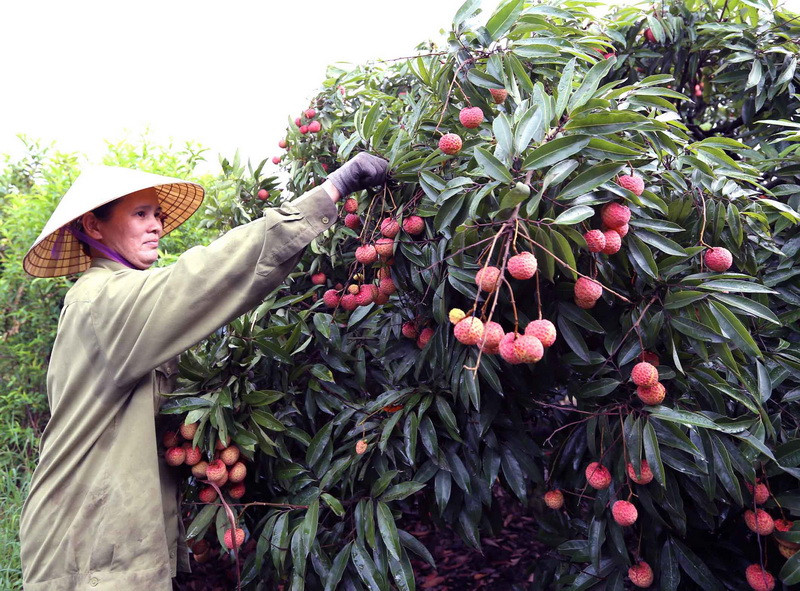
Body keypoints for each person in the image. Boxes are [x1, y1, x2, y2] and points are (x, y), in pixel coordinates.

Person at [19, 153, 388, 590]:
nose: (156, 225)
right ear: (93, 227)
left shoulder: (117, 300)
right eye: (140, 214)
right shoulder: (103, 300)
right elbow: (203, 277)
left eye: (156, 213)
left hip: (104, 537)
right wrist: (330, 192)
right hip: (85, 546)